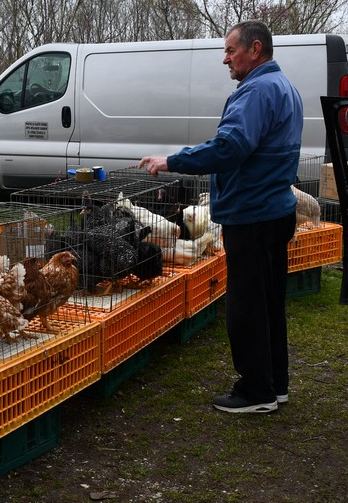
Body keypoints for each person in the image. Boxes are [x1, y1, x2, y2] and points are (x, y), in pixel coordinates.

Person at [139, 20, 302, 414]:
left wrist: (173, 160)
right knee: (268, 304)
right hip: (275, 210)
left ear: (255, 49)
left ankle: (254, 392)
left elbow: (230, 147)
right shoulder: (285, 88)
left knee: (246, 306)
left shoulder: (256, 91)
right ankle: (274, 384)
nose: (225, 59)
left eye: (231, 51)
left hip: (252, 214)